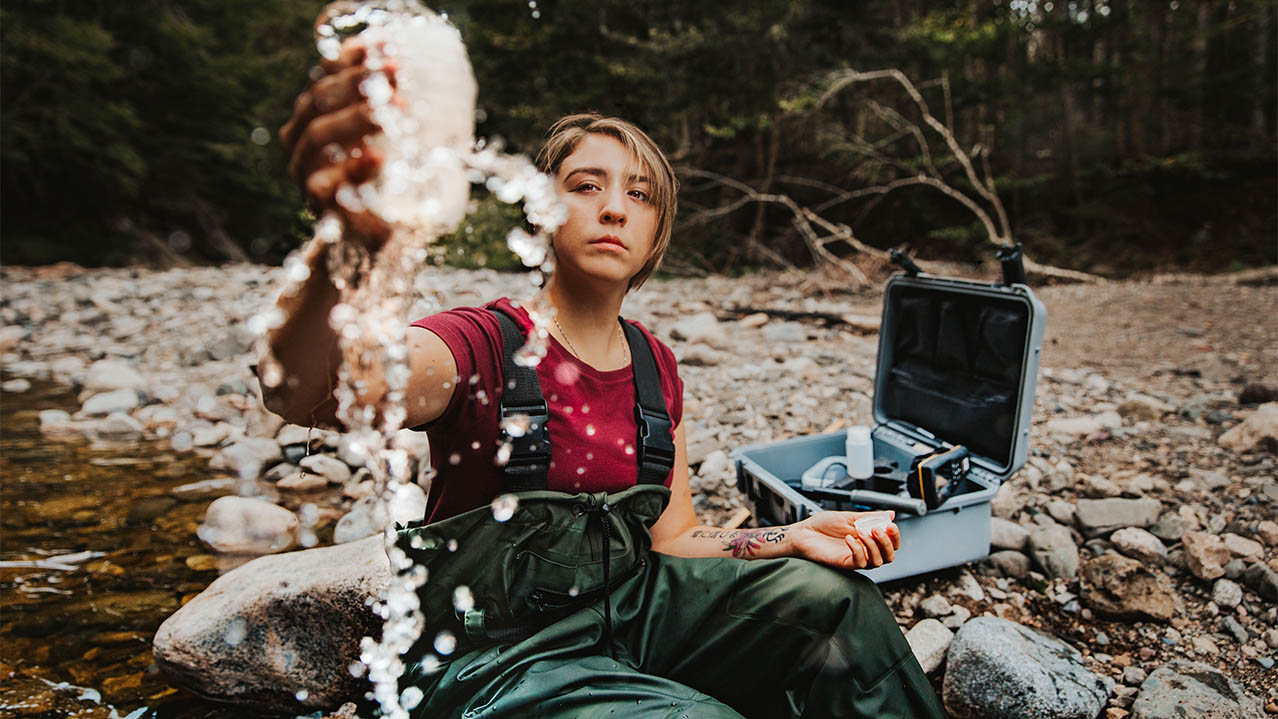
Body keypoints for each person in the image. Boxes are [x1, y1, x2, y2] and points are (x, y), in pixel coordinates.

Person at [263, 40, 945, 719]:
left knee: (836, 604)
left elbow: (674, 538)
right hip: (497, 665)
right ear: (541, 211)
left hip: (632, 625)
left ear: (656, 232)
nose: (614, 207)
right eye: (586, 185)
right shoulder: (481, 346)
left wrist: (787, 537)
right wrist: (344, 238)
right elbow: (306, 392)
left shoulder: (656, 367)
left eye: (639, 193)